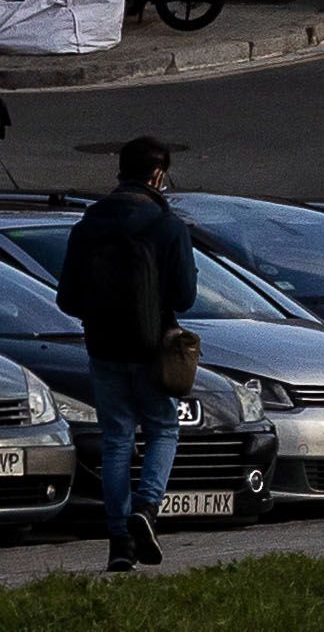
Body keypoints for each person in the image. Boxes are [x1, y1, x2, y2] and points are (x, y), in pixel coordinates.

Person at [62, 134, 202, 571]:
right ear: (158, 175)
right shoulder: (167, 226)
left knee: (116, 440)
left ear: (119, 172)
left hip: (103, 346)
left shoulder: (88, 224)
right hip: (152, 345)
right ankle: (146, 508)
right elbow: (185, 296)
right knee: (163, 428)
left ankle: (119, 542)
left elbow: (67, 299)